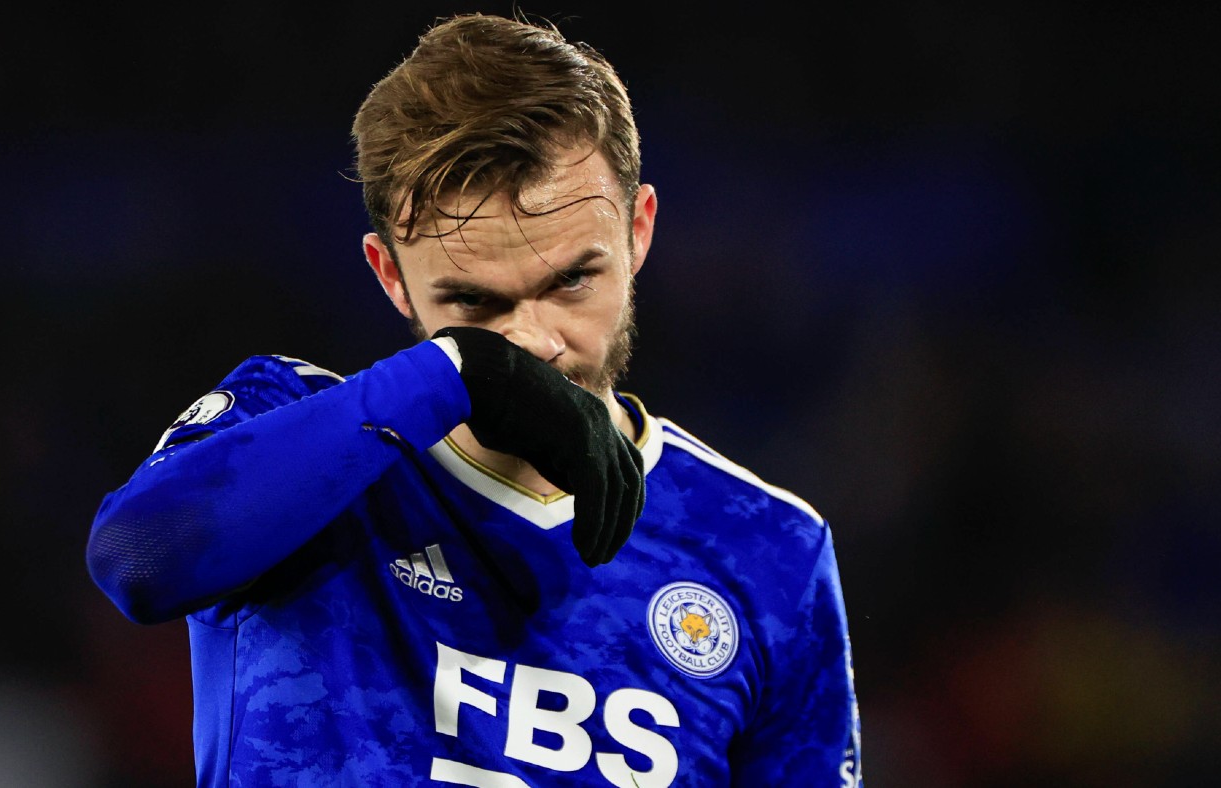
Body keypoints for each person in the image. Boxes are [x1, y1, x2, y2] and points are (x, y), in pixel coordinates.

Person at [87, 13, 862, 787]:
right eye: (475, 303)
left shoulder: (768, 551)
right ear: (390, 276)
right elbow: (137, 560)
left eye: (571, 280)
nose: (534, 342)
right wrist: (454, 374)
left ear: (638, 230)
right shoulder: (283, 425)